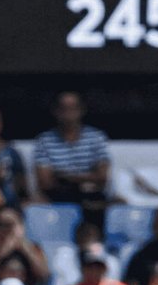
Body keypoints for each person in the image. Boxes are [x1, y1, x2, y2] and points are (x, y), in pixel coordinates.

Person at [33, 91, 109, 227]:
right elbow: (45, 183)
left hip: (91, 199)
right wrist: (85, 178)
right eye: (64, 108)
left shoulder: (96, 137)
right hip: (58, 199)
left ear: (81, 110)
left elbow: (102, 177)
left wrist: (65, 177)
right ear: (56, 111)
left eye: (73, 108)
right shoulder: (44, 141)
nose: (68, 113)